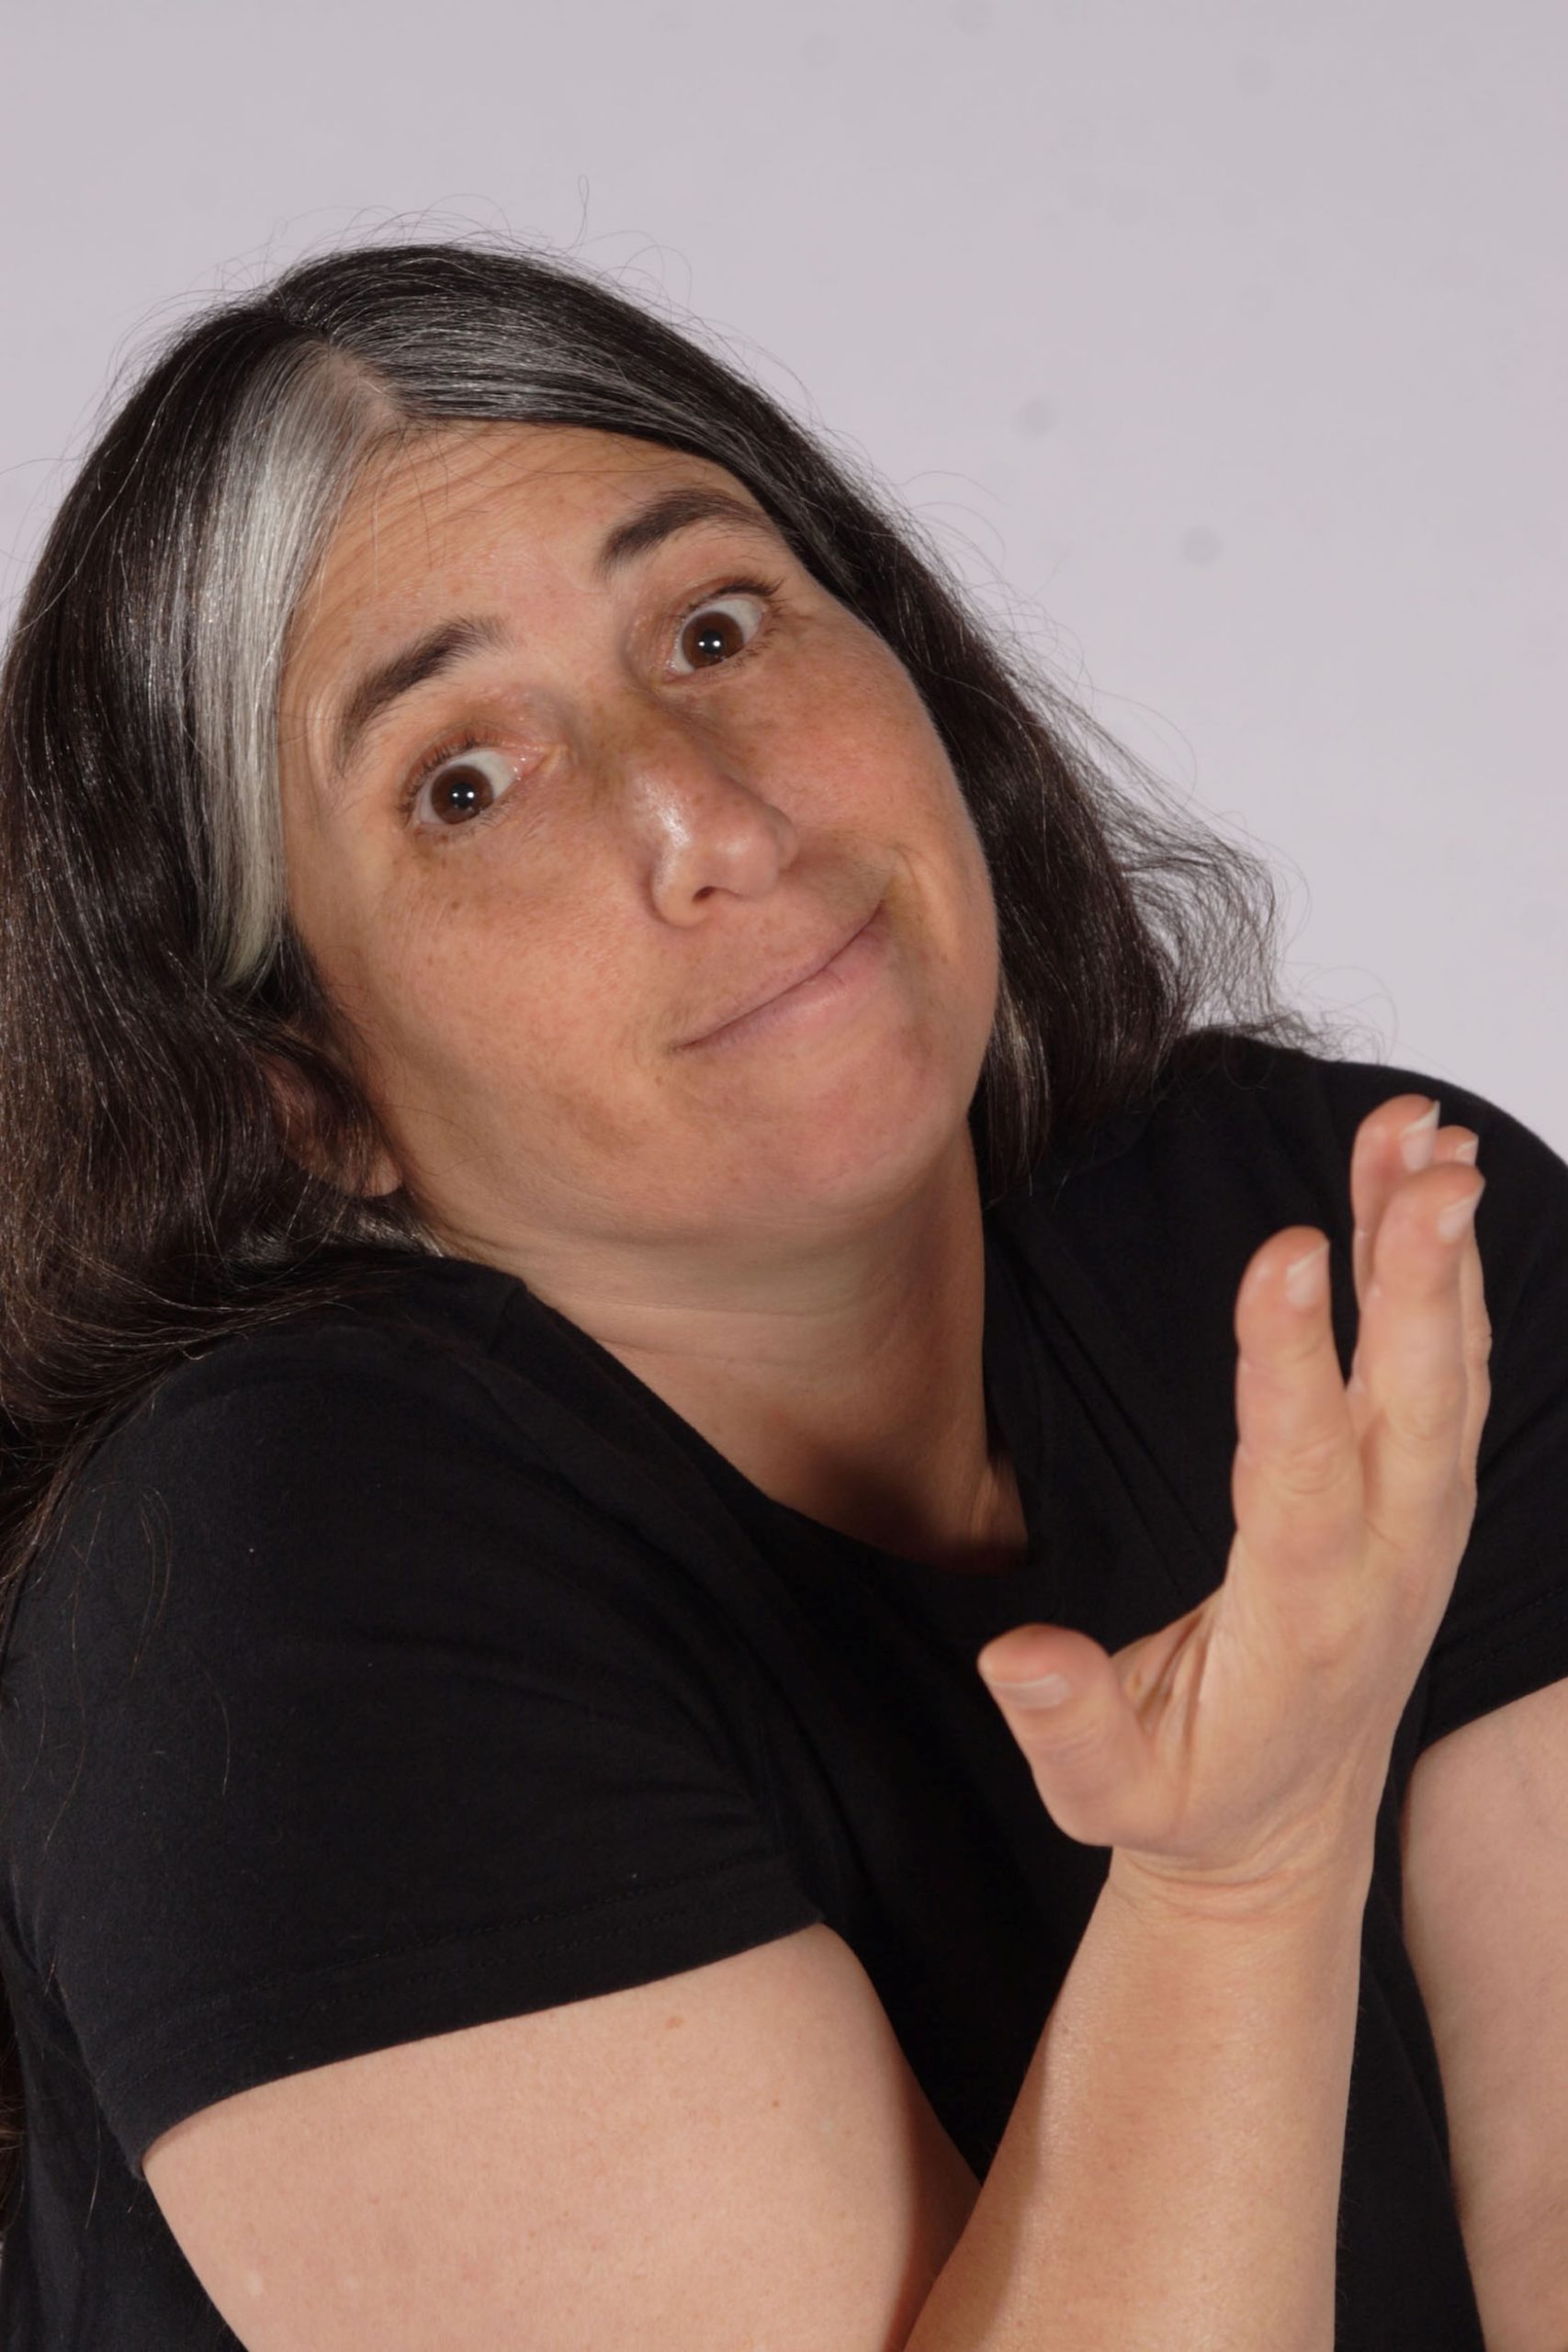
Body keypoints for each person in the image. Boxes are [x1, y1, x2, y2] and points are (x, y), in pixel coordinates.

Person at [0, 237, 1562, 2351]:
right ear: (303, 1087)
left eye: (714, 625)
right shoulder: (262, 1584)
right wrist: (1241, 1868)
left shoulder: (1332, 1245)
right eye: (464, 778)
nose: (701, 813)